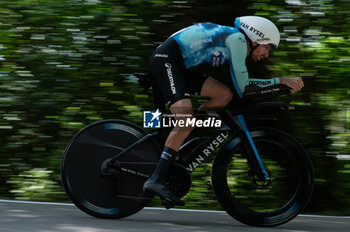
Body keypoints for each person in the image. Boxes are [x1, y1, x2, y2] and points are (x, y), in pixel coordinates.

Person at [143, 16, 304, 205]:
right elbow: (245, 88)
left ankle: (182, 145)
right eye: (268, 48)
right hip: (166, 60)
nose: (266, 55)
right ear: (256, 39)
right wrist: (281, 81)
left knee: (223, 95)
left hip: (178, 65)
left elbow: (238, 89)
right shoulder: (237, 40)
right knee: (186, 120)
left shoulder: (235, 42)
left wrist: (278, 85)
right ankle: (156, 179)